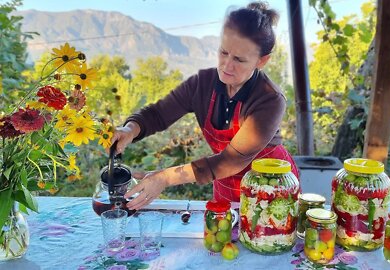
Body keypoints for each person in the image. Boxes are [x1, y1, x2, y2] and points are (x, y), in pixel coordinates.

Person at [112, 1, 299, 210]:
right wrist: (129, 129)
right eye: (223, 52)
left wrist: (164, 178)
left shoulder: (269, 99)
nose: (227, 65)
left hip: (271, 189)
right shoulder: (202, 84)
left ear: (262, 61)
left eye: (239, 59)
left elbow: (230, 161)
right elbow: (157, 114)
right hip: (225, 187)